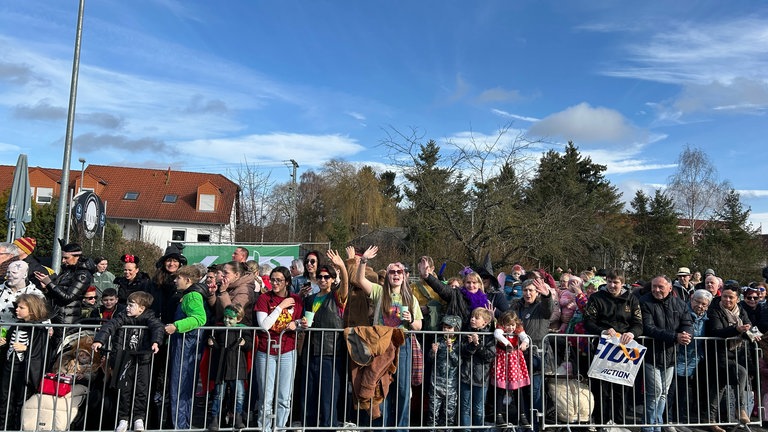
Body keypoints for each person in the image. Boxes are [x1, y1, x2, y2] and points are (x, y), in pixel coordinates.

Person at [355, 246, 423, 432]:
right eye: (392, 271)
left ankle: (401, 429)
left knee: (402, 390)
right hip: (383, 344)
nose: (395, 274)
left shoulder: (410, 298)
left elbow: (419, 326)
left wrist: (410, 321)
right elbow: (359, 280)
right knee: (382, 387)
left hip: (403, 343)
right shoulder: (379, 292)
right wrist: (364, 260)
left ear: (404, 276)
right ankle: (381, 428)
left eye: (399, 272)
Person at [92, 291, 164, 432]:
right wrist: (99, 340)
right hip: (124, 360)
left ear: (141, 309)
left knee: (141, 390)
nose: (127, 308)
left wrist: (156, 342)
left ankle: (139, 418)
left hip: (142, 360)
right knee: (124, 390)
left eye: (131, 305)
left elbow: (158, 327)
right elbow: (109, 326)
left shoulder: (150, 317)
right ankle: (123, 419)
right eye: (128, 304)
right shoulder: (122, 316)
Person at [582, 269, 643, 428]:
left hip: (625, 350)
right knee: (601, 388)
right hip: (602, 348)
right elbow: (588, 321)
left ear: (622, 283)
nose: (612, 285)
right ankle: (600, 422)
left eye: (615, 282)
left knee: (621, 388)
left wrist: (632, 333)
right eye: (609, 281)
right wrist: (602, 331)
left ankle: (619, 424)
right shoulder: (596, 298)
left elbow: (638, 324)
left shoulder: (632, 299)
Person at [302, 250, 349, 429]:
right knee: (310, 395)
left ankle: (329, 426)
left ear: (331, 279)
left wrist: (342, 266)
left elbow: (345, 284)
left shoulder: (337, 298)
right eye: (320, 277)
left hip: (331, 352)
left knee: (328, 396)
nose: (322, 280)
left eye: (326, 277)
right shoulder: (311, 299)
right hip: (311, 351)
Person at [639, 276, 692, 432]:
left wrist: (687, 335)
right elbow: (648, 328)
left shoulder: (680, 304)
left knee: (664, 393)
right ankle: (648, 427)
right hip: (651, 354)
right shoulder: (644, 302)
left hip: (671, 355)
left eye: (660, 287)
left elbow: (687, 323)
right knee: (655, 391)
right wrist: (675, 337)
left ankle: (657, 425)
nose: (656, 290)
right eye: (654, 286)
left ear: (670, 288)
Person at [254, 266, 303, 432]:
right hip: (266, 351)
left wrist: (297, 324)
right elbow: (264, 326)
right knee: (266, 397)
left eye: (279, 280)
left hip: (288, 351)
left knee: (284, 397)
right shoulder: (264, 299)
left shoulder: (296, 299)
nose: (274, 283)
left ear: (287, 282)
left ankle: (280, 428)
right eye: (273, 279)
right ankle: (265, 429)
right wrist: (279, 307)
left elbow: (300, 323)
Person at [706, 283, 756, 428]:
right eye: (725, 296)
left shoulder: (740, 310)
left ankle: (711, 420)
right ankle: (739, 409)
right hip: (718, 354)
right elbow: (716, 331)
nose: (727, 300)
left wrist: (751, 332)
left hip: (736, 353)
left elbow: (748, 324)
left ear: (737, 299)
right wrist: (736, 329)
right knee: (739, 374)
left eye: (731, 297)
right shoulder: (714, 310)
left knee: (719, 387)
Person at [164, 265, 208, 430]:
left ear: (188, 280)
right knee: (183, 387)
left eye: (178, 278)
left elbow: (199, 318)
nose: (175, 281)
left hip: (186, 345)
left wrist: (176, 326)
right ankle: (181, 424)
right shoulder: (190, 294)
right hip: (185, 344)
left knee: (180, 387)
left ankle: (180, 425)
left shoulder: (192, 296)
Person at [0, 294, 48, 430]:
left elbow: (41, 351)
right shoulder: (15, 326)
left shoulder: (39, 329)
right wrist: (3, 344)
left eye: (21, 307)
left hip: (24, 370)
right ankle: (4, 427)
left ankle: (17, 428)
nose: (17, 310)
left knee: (21, 401)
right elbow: (8, 346)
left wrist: (26, 348)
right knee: (5, 400)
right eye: (17, 307)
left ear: (32, 309)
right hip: (9, 368)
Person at [35, 241, 95, 342]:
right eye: (63, 257)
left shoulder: (83, 275)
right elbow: (57, 294)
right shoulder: (68, 271)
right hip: (58, 317)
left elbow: (68, 297)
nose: (63, 260)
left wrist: (49, 283)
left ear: (77, 257)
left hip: (67, 322)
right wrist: (46, 288)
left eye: (66, 258)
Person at [207, 304, 252, 431]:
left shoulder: (244, 329)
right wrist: (210, 342)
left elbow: (249, 345)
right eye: (225, 317)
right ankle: (215, 418)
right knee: (218, 395)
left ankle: (238, 417)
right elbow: (212, 341)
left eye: (230, 318)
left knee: (239, 394)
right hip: (222, 367)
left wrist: (245, 343)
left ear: (238, 319)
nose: (227, 320)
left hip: (238, 367)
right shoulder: (219, 329)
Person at [674, 289, 712, 426]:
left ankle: (682, 419)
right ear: (691, 299)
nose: (700, 306)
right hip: (679, 357)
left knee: (690, 391)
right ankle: (673, 419)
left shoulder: (707, 317)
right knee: (678, 390)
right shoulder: (682, 312)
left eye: (704, 304)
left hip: (696, 357)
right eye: (697, 302)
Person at [459, 307, 496, 432]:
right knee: (465, 408)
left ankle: (479, 429)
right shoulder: (465, 333)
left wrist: (478, 344)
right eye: (472, 317)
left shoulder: (490, 336)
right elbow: (463, 352)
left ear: (485, 322)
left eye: (476, 318)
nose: (472, 319)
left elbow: (489, 356)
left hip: (481, 379)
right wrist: (471, 345)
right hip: (465, 377)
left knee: (478, 408)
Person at [493, 310, 531, 426]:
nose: (510, 328)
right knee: (500, 387)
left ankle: (522, 415)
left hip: (514, 361)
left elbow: (525, 337)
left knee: (517, 388)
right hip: (502, 359)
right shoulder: (500, 328)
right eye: (508, 325)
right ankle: (499, 415)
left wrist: (524, 343)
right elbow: (497, 334)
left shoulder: (518, 328)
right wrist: (506, 342)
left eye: (512, 325)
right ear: (504, 324)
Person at [426, 314, 462, 429]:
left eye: (449, 327)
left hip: (451, 386)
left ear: (456, 329)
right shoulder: (437, 340)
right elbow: (429, 360)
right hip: (436, 384)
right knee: (432, 413)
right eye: (444, 327)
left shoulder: (459, 343)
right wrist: (433, 352)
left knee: (449, 415)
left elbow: (458, 362)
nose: (446, 330)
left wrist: (450, 349)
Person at [0, 260, 45, 328]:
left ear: (25, 275)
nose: (9, 275)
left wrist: (47, 328)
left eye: (14, 272)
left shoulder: (36, 293)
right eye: (8, 272)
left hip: (24, 334)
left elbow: (43, 316)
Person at [208, 261, 256, 325]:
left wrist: (223, 292)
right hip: (222, 327)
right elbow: (216, 309)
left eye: (226, 273)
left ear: (236, 275)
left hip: (237, 330)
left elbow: (232, 313)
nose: (222, 275)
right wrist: (212, 294)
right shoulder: (227, 286)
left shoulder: (245, 290)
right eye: (223, 272)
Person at [153, 246, 188, 324]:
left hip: (176, 321)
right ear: (164, 262)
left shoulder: (184, 281)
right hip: (157, 321)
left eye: (175, 261)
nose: (172, 264)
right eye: (169, 261)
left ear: (179, 264)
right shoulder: (155, 280)